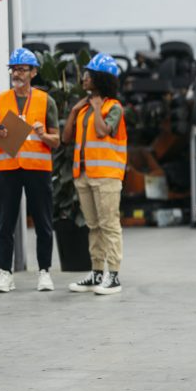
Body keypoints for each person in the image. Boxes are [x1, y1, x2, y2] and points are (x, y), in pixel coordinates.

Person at [0, 47, 60, 293]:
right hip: (8, 167)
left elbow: (57, 140)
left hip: (38, 168)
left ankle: (44, 272)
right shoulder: (0, 100)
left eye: (21, 69)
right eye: (14, 69)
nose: (16, 73)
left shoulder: (45, 100)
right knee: (4, 223)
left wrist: (44, 134)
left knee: (43, 222)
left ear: (34, 72)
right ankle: (5, 273)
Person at [61, 53, 127, 296]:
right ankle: (97, 272)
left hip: (107, 175)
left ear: (100, 78)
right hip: (84, 175)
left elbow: (102, 132)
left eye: (88, 75)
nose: (84, 78)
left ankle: (114, 276)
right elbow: (66, 138)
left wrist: (97, 108)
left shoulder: (113, 107)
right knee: (93, 226)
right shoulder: (83, 108)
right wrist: (74, 111)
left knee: (109, 225)